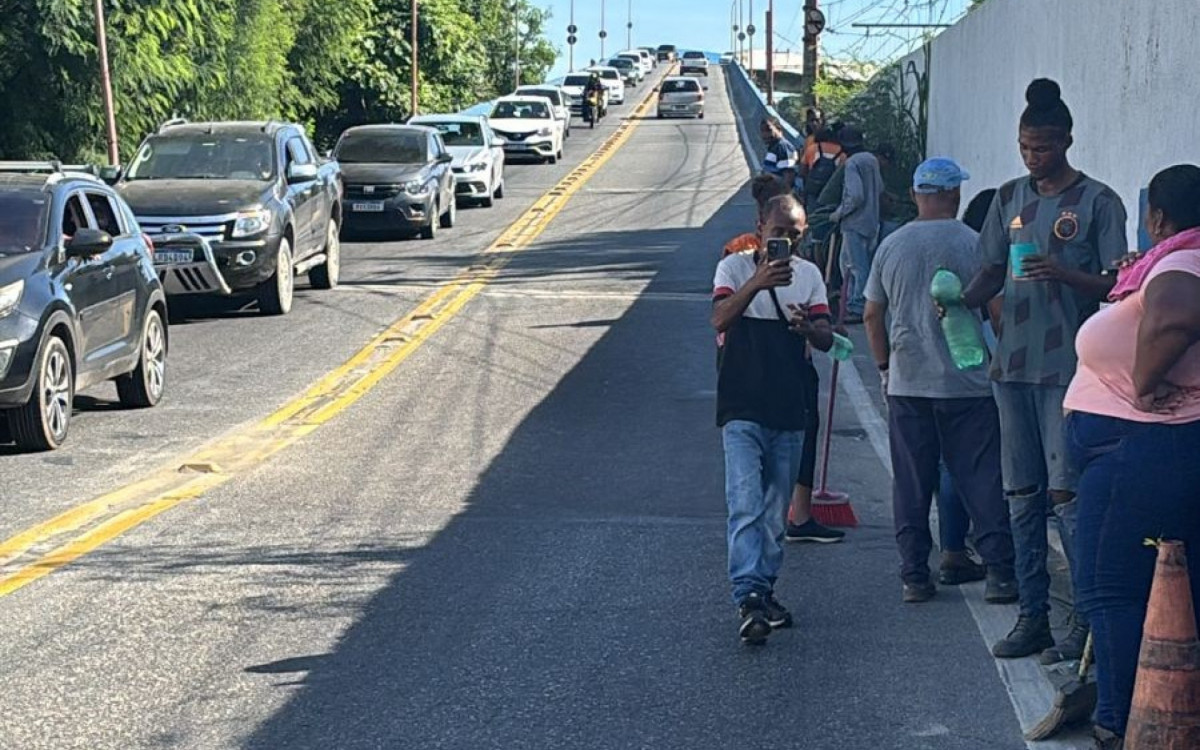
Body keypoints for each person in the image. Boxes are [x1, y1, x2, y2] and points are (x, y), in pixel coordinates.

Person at [961, 78, 1128, 660]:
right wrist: (957, 303)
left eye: (1045, 147)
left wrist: (1064, 274)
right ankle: (1032, 616)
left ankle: (1085, 627)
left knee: (1066, 496)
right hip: (1012, 367)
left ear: (1067, 141)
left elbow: (1117, 285)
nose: (1034, 157)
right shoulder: (1007, 198)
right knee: (1021, 493)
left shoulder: (1098, 202)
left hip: (1069, 370)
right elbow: (989, 272)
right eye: (1026, 147)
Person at [1064, 164, 1200, 749]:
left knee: (1111, 587)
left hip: (1139, 445)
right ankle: (1166, 714)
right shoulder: (1172, 260)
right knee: (1171, 586)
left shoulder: (1183, 262)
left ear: (1157, 217)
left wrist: (1144, 381)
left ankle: (1120, 723)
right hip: (1146, 446)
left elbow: (1175, 316)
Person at [863, 157, 1018, 603]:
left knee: (912, 482)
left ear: (916, 194)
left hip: (908, 383)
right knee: (981, 477)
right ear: (954, 194)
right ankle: (999, 573)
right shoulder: (974, 243)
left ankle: (915, 575)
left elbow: (872, 314)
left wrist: (884, 368)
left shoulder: (891, 246)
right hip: (967, 386)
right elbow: (997, 312)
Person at [712, 194, 834, 644]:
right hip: (742, 404)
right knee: (745, 501)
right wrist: (757, 282)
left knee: (774, 513)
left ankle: (763, 590)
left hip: (788, 406)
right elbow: (719, 318)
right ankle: (747, 595)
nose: (786, 241)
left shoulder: (809, 276)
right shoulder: (733, 268)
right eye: (779, 232)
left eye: (795, 235)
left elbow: (826, 337)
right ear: (760, 227)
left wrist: (810, 329)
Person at [934, 187, 1001, 587]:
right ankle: (997, 560)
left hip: (943, 371)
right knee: (984, 464)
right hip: (983, 373)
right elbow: (1000, 320)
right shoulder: (987, 258)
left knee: (950, 463)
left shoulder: (947, 252)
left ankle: (952, 550)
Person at [830, 125, 884, 324]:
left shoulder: (852, 163)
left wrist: (838, 213)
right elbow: (880, 188)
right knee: (849, 264)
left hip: (854, 223)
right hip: (871, 221)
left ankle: (858, 306)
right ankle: (849, 301)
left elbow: (855, 196)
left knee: (856, 266)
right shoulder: (871, 159)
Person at [801, 127, 844, 209]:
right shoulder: (842, 153)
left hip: (813, 189)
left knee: (812, 211)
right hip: (831, 191)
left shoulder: (812, 148)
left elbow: (802, 171)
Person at [759, 117, 799, 195]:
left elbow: (789, 176)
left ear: (779, 129)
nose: (765, 134)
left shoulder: (783, 147)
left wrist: (782, 197)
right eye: (762, 131)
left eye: (769, 130)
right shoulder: (774, 147)